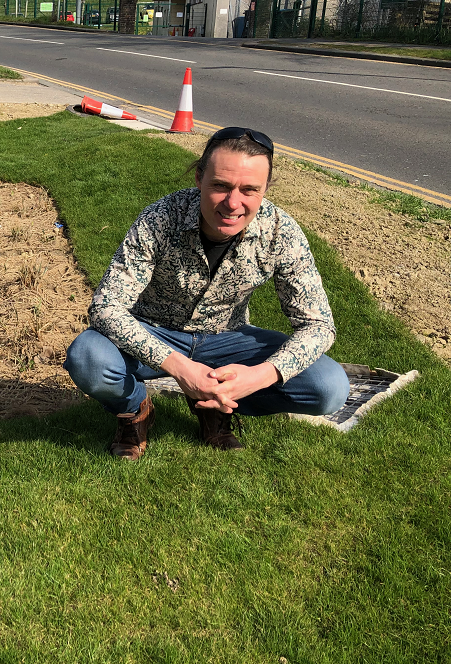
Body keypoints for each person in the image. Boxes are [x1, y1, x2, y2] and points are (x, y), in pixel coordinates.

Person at [64, 127, 349, 460]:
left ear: (265, 189)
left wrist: (257, 377)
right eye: (220, 186)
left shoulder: (281, 232)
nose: (233, 203)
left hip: (228, 339)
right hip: (154, 332)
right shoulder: (161, 218)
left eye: (249, 190)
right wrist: (182, 369)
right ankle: (135, 410)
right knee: (88, 358)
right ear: (199, 177)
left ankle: (219, 405)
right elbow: (106, 306)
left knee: (328, 388)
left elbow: (319, 325)